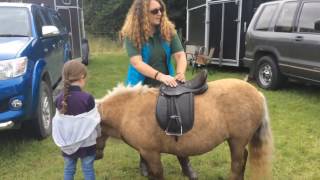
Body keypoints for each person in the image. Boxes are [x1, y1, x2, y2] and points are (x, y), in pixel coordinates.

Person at [120, 0, 197, 178]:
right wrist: (159, 76)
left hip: (168, 83)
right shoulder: (132, 34)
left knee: (177, 120)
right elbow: (137, 63)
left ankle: (185, 163)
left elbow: (180, 55)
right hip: (140, 86)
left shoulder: (168, 30)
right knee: (144, 129)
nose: (159, 13)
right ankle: (144, 159)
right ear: (142, 14)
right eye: (154, 11)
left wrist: (180, 72)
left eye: (161, 9)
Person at [52, 60, 101, 180]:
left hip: (67, 142)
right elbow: (94, 121)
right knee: (88, 168)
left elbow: (59, 122)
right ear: (81, 77)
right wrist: (98, 135)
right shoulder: (87, 98)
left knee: (69, 169)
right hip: (87, 143)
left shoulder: (58, 99)